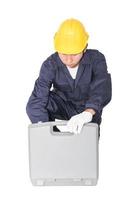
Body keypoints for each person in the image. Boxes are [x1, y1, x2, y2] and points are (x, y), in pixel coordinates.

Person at [26, 18, 112, 136]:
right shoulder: (50, 64)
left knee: (86, 147)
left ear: (85, 47)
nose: (69, 59)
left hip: (88, 109)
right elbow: (38, 99)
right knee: (37, 103)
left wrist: (88, 112)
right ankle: (54, 139)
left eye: (75, 53)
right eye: (64, 54)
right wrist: (48, 132)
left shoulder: (97, 59)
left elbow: (102, 87)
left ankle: (86, 136)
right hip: (63, 105)